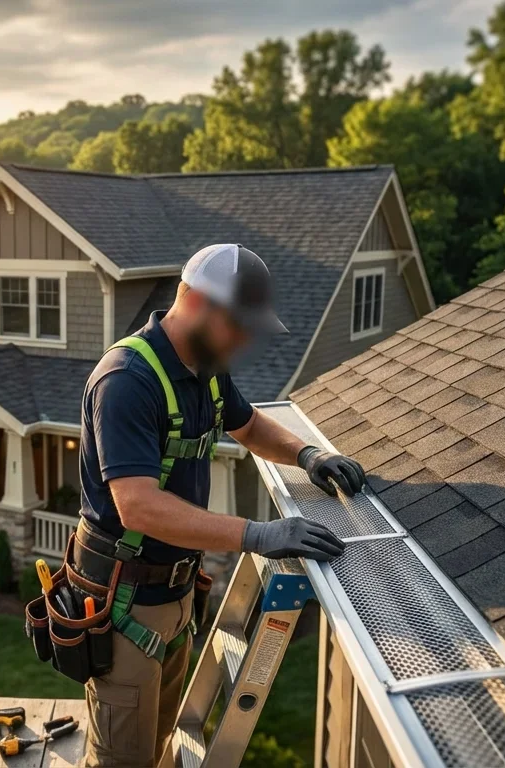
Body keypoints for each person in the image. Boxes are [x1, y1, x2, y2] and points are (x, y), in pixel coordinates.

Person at [76, 243, 366, 766]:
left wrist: (307, 454)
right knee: (121, 760)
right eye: (238, 325)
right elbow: (138, 507)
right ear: (195, 302)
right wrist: (258, 534)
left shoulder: (204, 369)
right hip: (125, 602)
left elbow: (249, 425)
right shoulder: (127, 381)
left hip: (174, 595)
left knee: (156, 744)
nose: (245, 340)